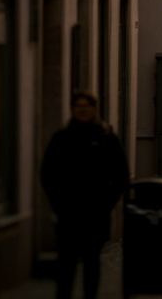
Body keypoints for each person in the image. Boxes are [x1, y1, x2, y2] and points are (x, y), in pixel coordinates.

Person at [40, 91, 129, 299]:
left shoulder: (107, 139)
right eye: (78, 105)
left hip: (96, 213)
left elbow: (121, 175)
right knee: (66, 263)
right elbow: (47, 174)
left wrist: (107, 202)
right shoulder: (61, 139)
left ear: (94, 109)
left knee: (91, 260)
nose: (82, 109)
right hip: (68, 213)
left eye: (86, 105)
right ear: (72, 110)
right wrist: (58, 203)